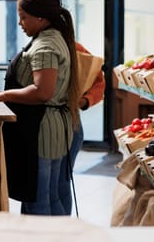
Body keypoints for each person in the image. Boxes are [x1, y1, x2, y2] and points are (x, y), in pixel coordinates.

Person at [0, 0, 80, 216]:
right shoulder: (57, 37)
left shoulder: (45, 46)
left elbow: (42, 92)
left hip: (41, 131)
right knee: (51, 195)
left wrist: (2, 95)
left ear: (40, 17)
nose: (20, 23)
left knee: (37, 201)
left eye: (23, 17)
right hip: (54, 128)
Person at [58, 43, 105, 216]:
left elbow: (99, 82)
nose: (20, 24)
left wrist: (84, 100)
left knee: (61, 181)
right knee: (57, 183)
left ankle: (62, 232)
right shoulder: (38, 44)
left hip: (70, 123)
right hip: (53, 125)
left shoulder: (75, 48)